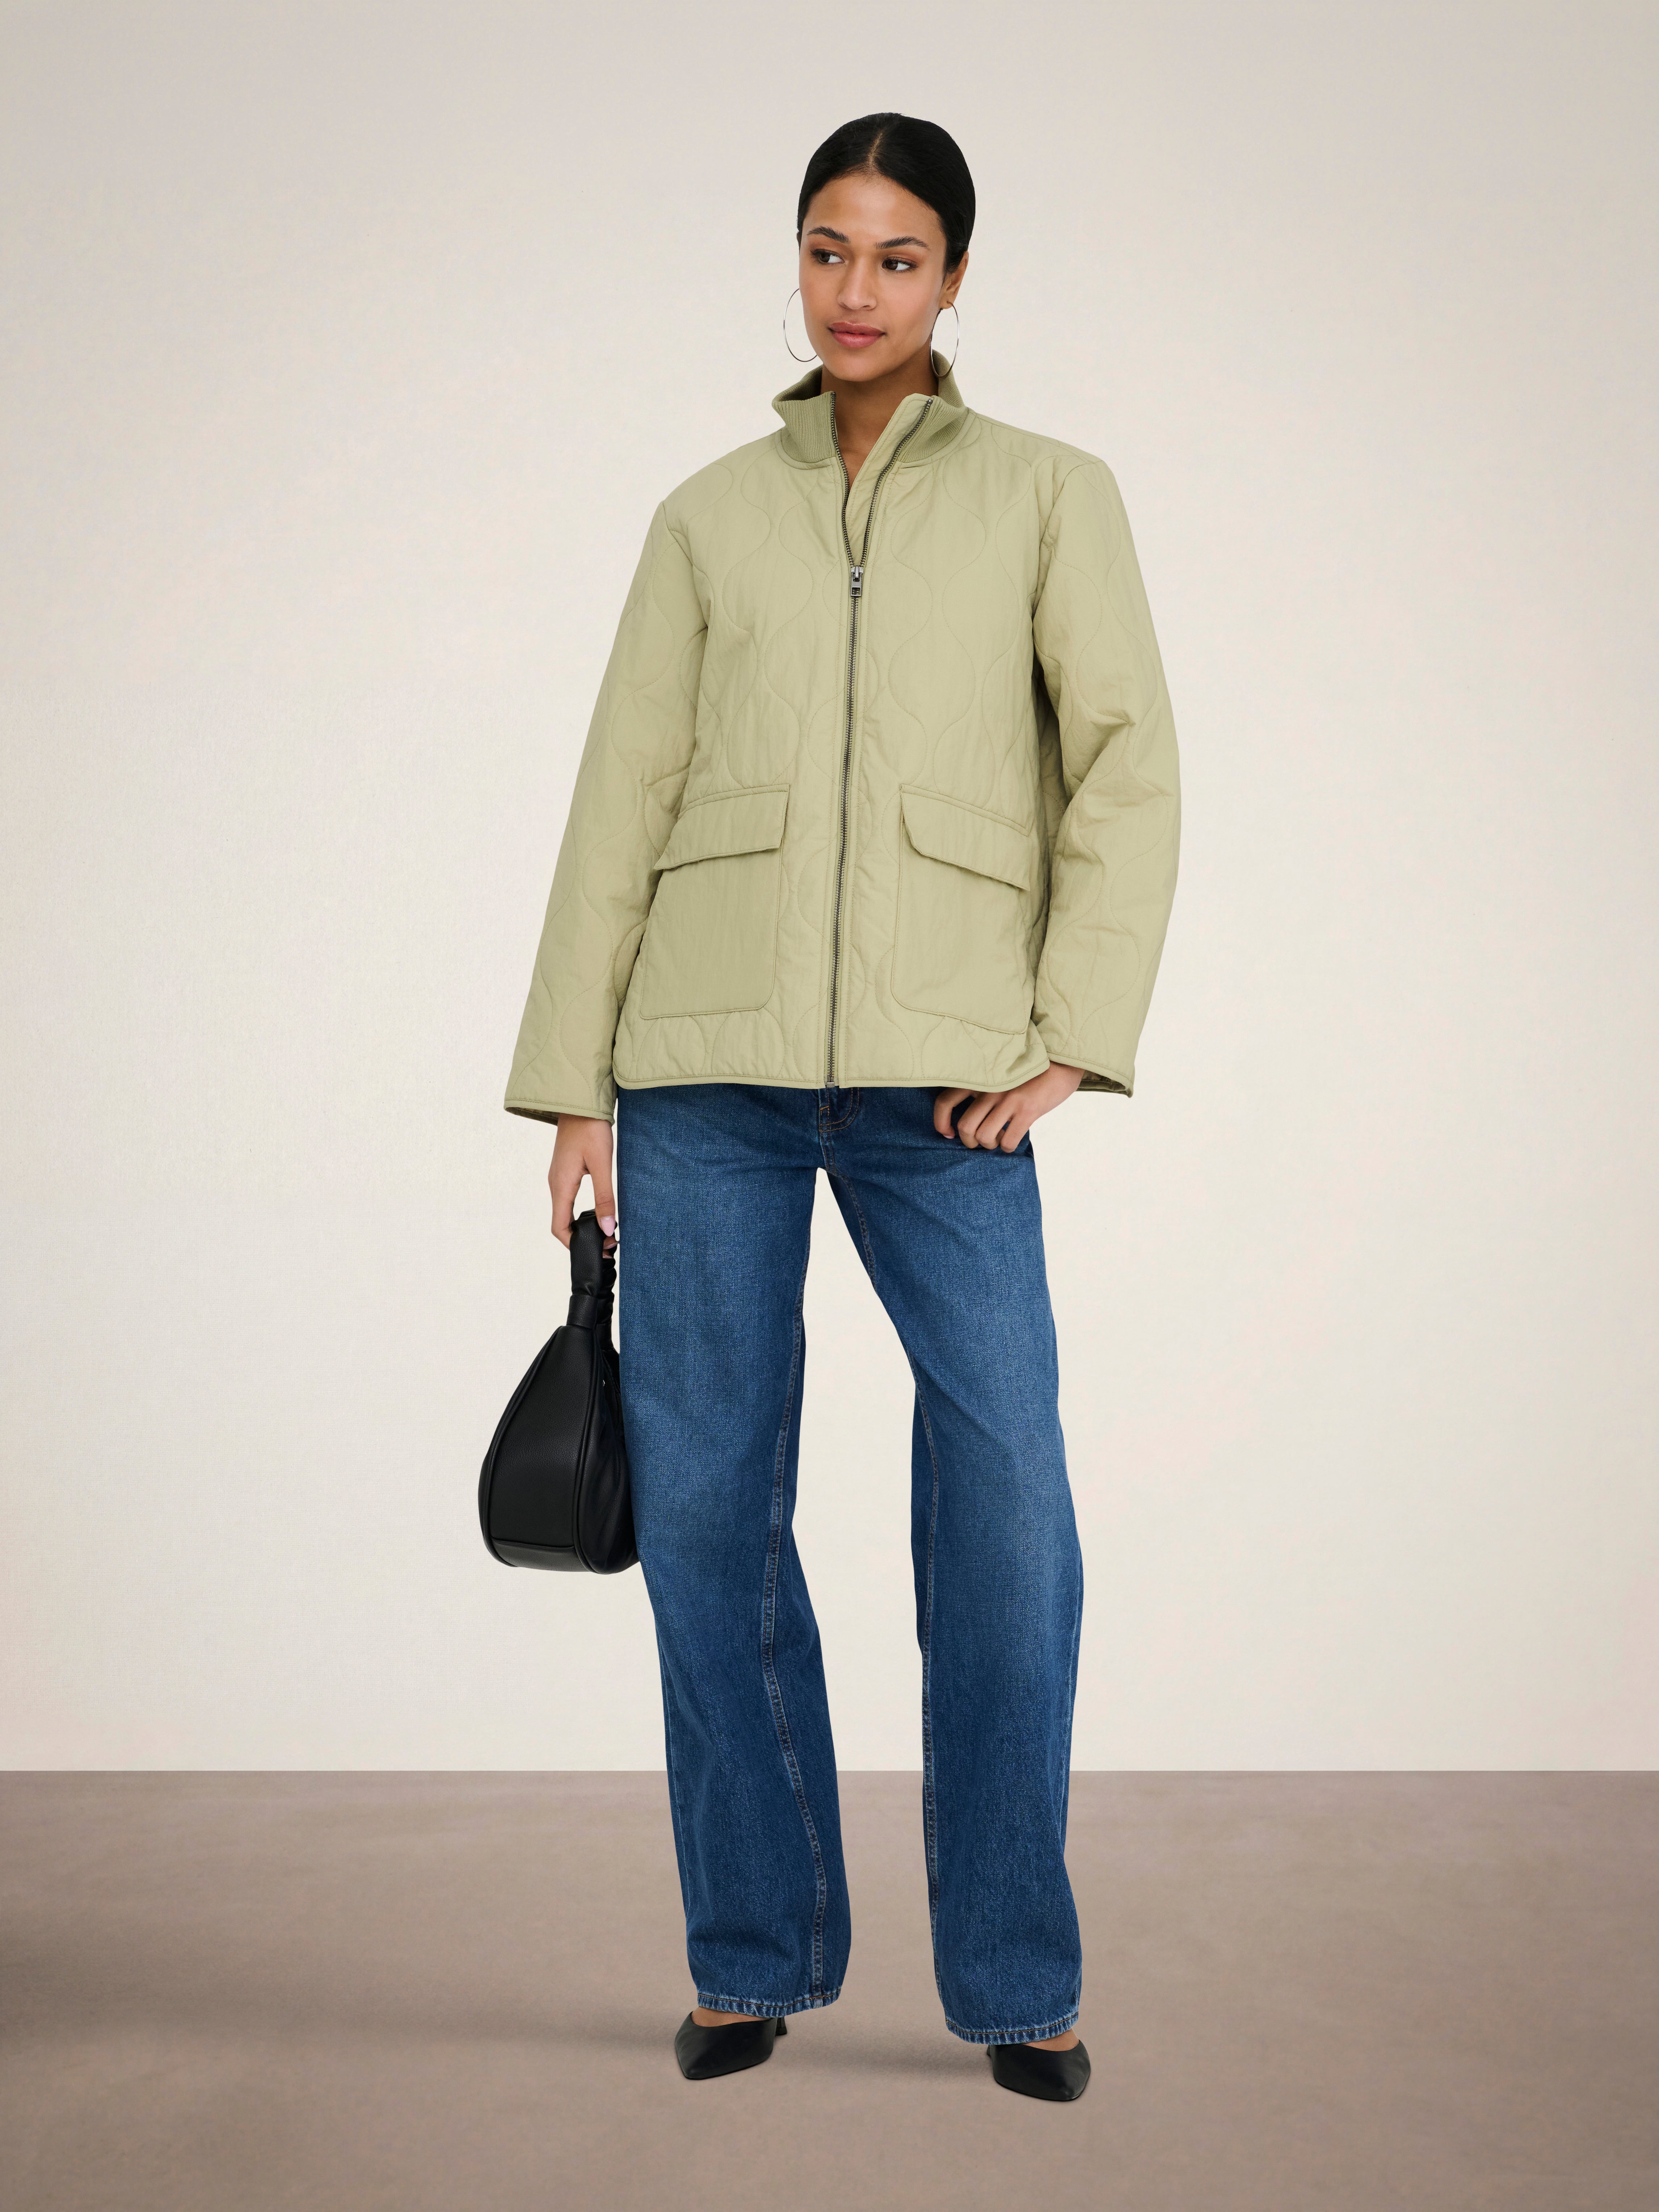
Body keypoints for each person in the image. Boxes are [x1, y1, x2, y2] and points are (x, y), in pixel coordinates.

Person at [504, 112, 1180, 2102]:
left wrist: (1071, 1031)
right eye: (825, 249)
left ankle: (1019, 1978)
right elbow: (621, 791)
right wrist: (573, 1084)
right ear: (793, 262)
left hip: (947, 1080)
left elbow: (1125, 767)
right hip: (700, 1071)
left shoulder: (1050, 495)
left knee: (1007, 1508)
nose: (854, 290)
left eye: (895, 256)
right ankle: (752, 1950)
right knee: (710, 1511)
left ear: (954, 276)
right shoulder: (709, 516)